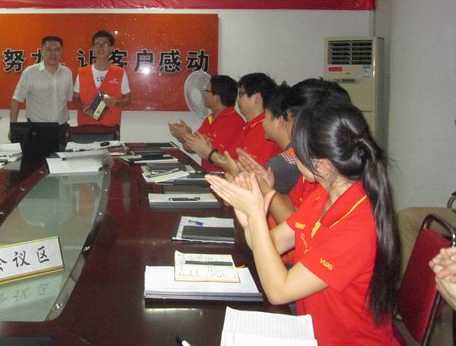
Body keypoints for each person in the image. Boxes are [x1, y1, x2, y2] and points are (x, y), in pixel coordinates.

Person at [207, 103, 401, 345]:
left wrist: (257, 217)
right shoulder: (323, 196)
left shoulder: (357, 226)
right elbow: (271, 244)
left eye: (296, 149)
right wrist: (249, 221)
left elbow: (279, 291)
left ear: (320, 164)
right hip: (310, 331)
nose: (292, 154)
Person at [185, 72, 280, 167]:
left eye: (241, 94)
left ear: (257, 98)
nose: (238, 100)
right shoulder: (249, 127)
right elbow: (229, 159)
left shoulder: (264, 129)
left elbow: (251, 170)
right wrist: (206, 151)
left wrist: (209, 153)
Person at [168, 75, 244, 172]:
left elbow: (218, 158)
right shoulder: (210, 119)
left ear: (217, 97)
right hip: (206, 175)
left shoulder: (234, 123)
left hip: (222, 178)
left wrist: (186, 135)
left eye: (207, 90)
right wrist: (183, 137)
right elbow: (192, 148)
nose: (203, 93)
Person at [10, 35, 73, 132]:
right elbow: (16, 99)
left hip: (62, 127)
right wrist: (13, 127)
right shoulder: (30, 72)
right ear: (41, 51)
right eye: (48, 49)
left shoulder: (67, 72)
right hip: (36, 128)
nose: (53, 53)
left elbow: (69, 98)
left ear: (61, 52)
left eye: (57, 49)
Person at [73, 30, 131, 129]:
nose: (100, 47)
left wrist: (116, 102)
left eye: (104, 44)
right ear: (93, 48)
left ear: (111, 48)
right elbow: (76, 98)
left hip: (110, 127)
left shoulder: (120, 72)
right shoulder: (82, 72)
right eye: (97, 44)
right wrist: (83, 107)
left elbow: (128, 99)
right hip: (85, 127)